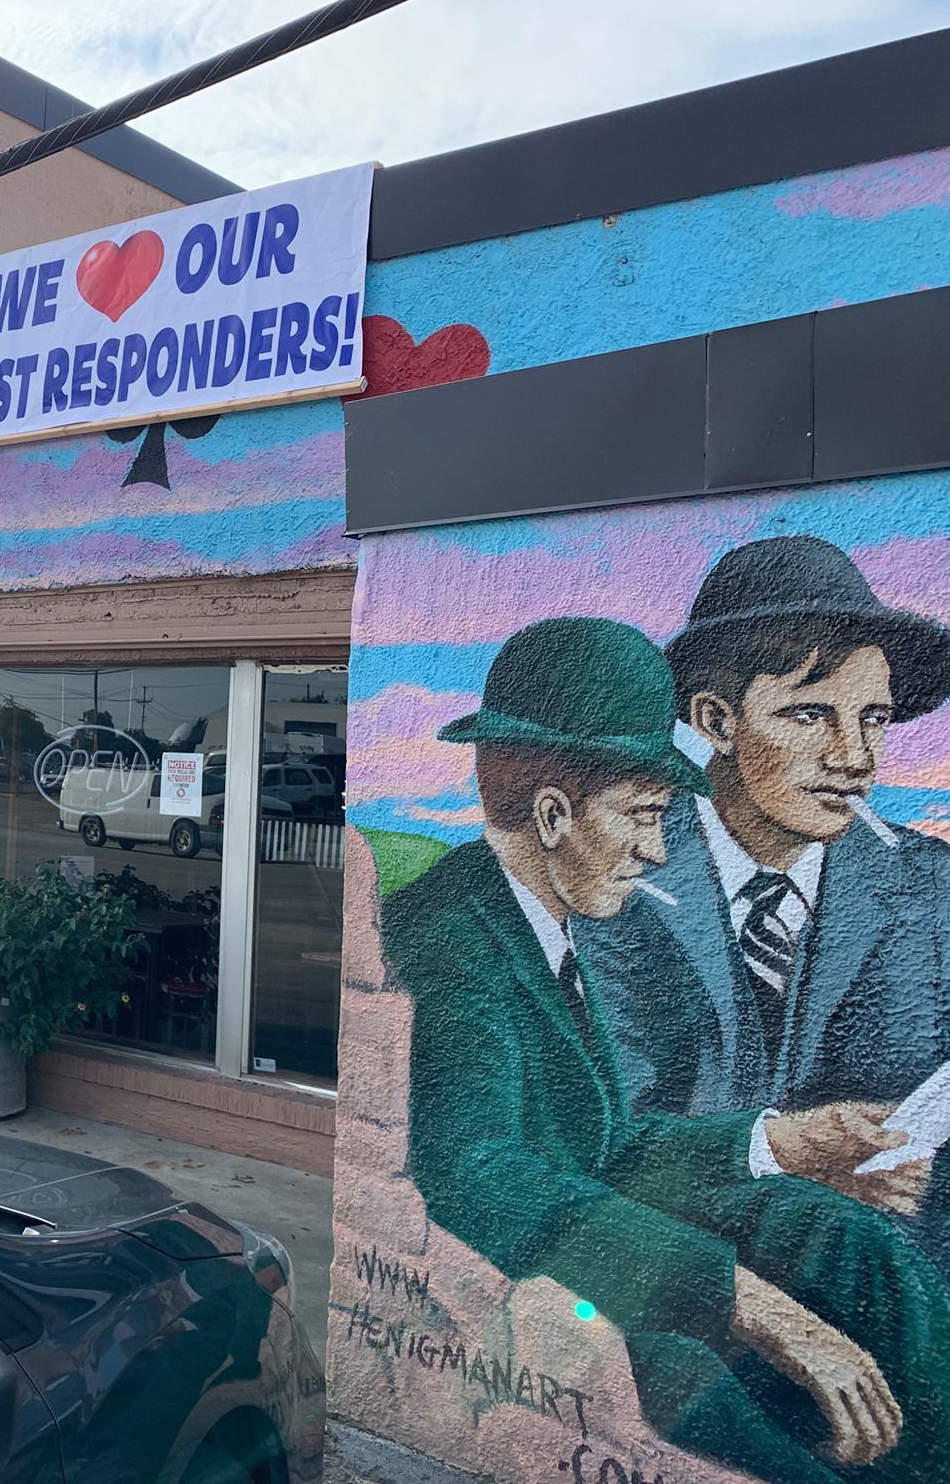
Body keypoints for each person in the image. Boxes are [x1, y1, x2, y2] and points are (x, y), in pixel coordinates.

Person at [388, 616, 948, 1484]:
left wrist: (783, 1144)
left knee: (839, 1236)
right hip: (553, 1291)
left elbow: (609, 1144)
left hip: (603, 1241)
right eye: (646, 818)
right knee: (698, 1386)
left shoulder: (543, 926)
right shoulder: (455, 945)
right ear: (551, 814)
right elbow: (483, 1175)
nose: (657, 850)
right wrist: (744, 1300)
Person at [578, 536, 950, 1261]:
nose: (855, 757)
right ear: (717, 722)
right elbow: (597, 1142)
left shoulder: (930, 888)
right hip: (683, 1313)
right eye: (810, 716)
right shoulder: (617, 881)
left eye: (872, 717)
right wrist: (786, 1152)